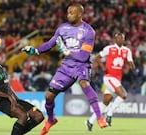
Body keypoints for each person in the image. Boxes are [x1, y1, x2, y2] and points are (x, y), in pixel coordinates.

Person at [22, 3, 108, 135]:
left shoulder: (88, 31)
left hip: (81, 65)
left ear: (80, 14)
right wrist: (35, 51)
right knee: (49, 96)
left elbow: (84, 55)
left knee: (84, 83)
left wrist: (68, 52)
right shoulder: (62, 28)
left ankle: (99, 117)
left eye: (72, 13)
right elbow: (50, 44)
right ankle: (51, 120)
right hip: (66, 67)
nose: (69, 15)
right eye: (68, 12)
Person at [0, 42, 44, 135]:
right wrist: (8, 96)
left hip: (14, 99)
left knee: (38, 116)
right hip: (2, 101)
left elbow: (4, 84)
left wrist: (13, 97)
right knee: (23, 116)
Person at [86, 33, 135, 131]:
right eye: (118, 38)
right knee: (123, 95)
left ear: (124, 40)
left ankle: (90, 121)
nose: (120, 40)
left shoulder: (127, 50)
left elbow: (130, 63)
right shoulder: (109, 48)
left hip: (117, 79)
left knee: (105, 102)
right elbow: (97, 57)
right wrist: (103, 67)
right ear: (115, 39)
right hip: (109, 77)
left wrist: (130, 66)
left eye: (122, 38)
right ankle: (109, 114)